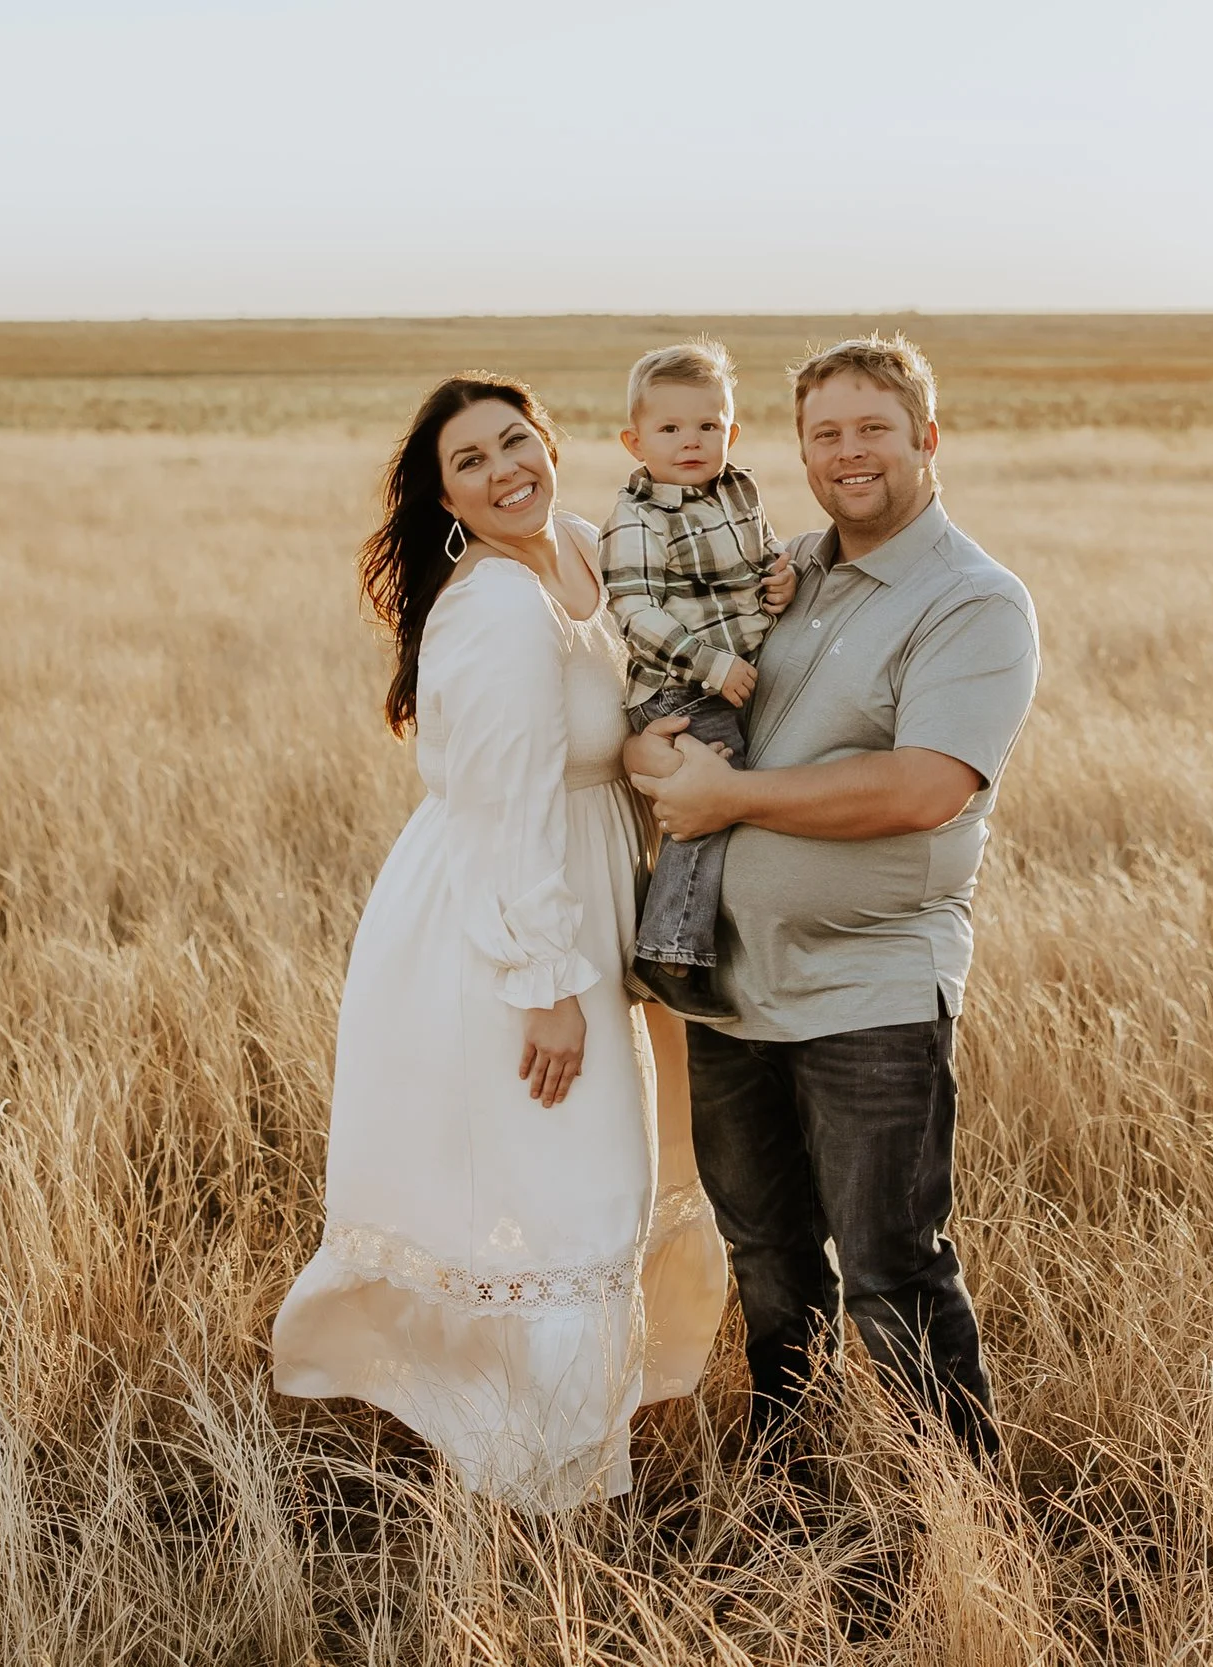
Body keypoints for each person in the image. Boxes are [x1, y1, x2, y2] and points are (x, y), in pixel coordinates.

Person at [273, 375, 728, 1512]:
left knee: (589, 1181)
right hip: (503, 926)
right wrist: (547, 983)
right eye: (468, 461)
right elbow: (512, 806)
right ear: (446, 499)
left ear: (552, 443)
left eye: (515, 440)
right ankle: (547, 1483)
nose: (503, 469)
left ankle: (557, 1450)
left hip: (581, 899)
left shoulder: (579, 546)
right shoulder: (489, 608)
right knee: (567, 1187)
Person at [625, 334, 1040, 1459]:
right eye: (825, 434)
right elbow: (658, 646)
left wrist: (728, 799)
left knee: (892, 1271)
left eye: (872, 429)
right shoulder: (787, 569)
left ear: (926, 440)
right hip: (730, 987)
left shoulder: (971, 601)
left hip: (868, 992)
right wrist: (652, 749)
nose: (848, 453)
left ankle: (959, 1516)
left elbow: (922, 787)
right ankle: (795, 1482)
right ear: (798, 450)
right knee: (768, 1261)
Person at [597, 339, 799, 1018]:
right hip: (678, 689)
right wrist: (710, 664)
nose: (692, 441)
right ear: (635, 440)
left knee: (741, 794)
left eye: (708, 426)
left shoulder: (741, 490)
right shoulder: (637, 516)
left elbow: (764, 558)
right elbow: (633, 610)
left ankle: (707, 936)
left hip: (734, 677)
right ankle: (669, 951)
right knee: (712, 798)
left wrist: (782, 577)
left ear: (731, 431)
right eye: (671, 428)